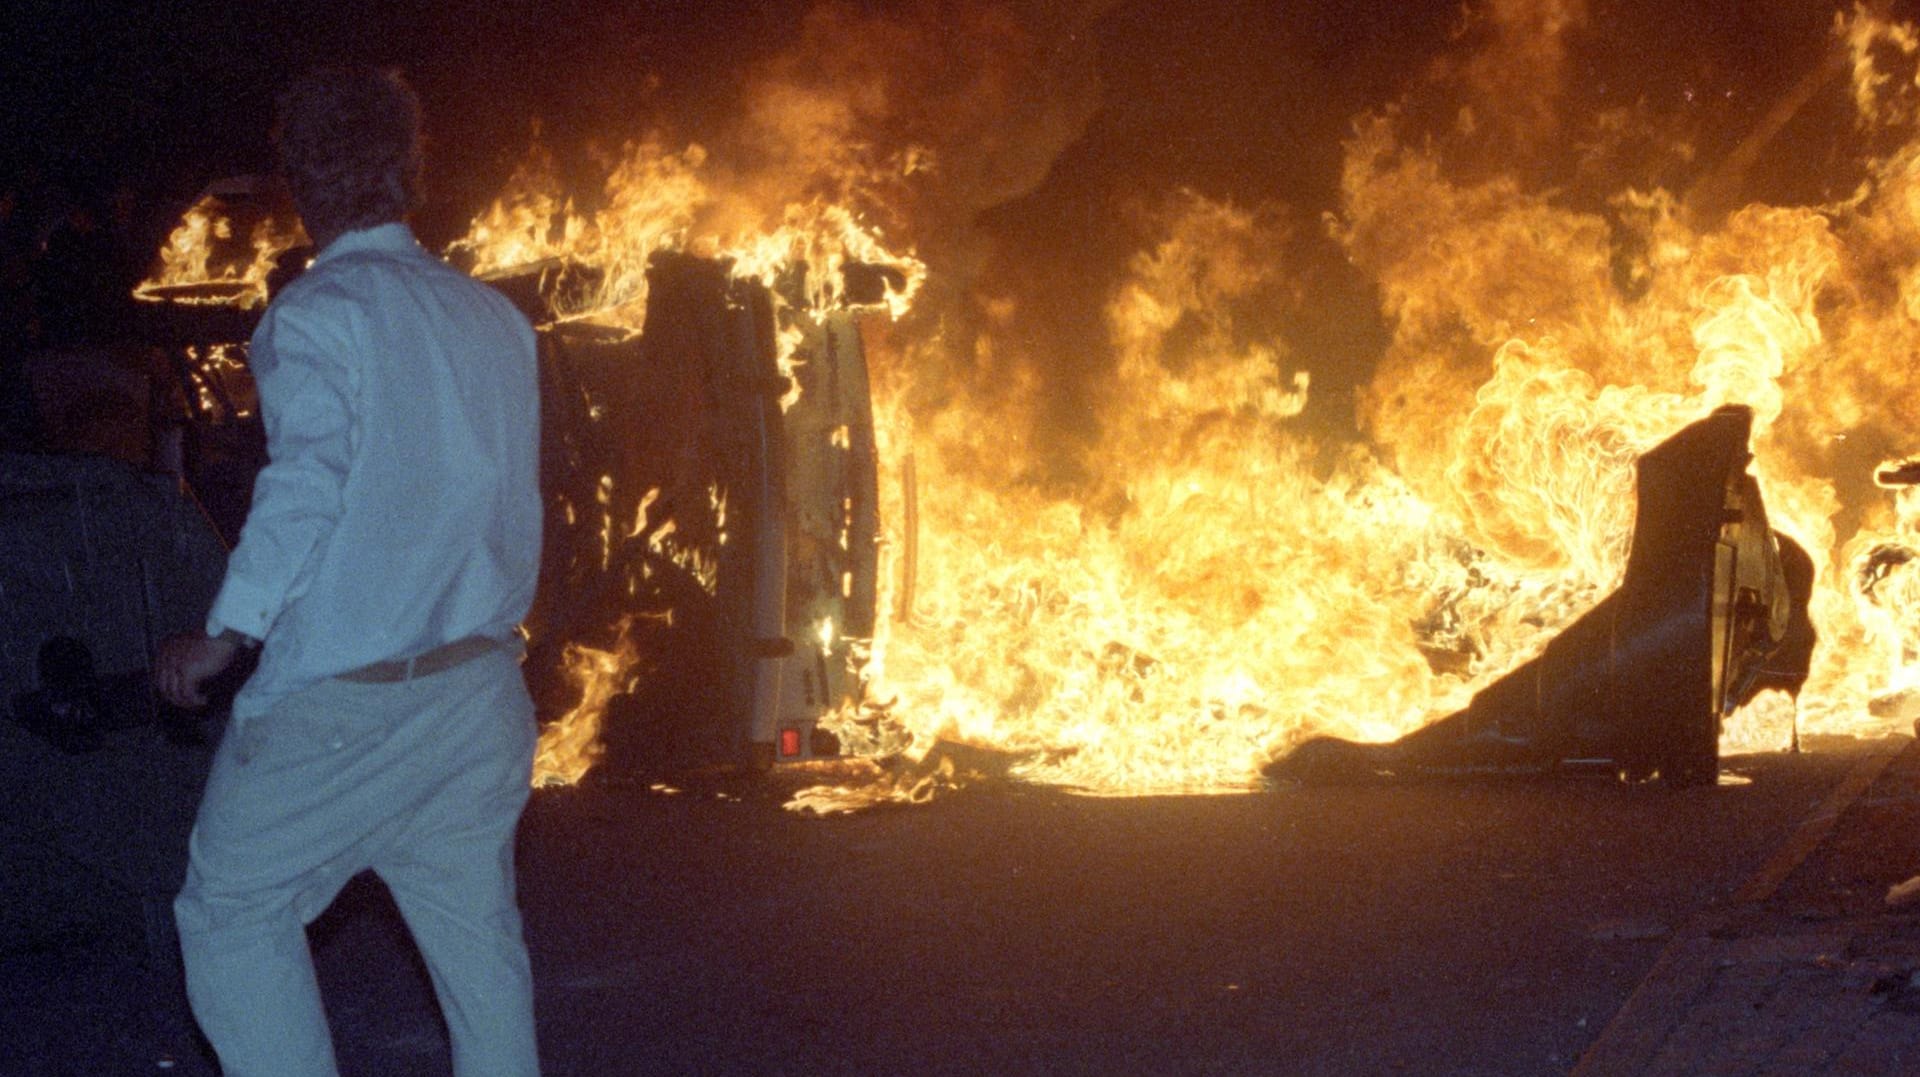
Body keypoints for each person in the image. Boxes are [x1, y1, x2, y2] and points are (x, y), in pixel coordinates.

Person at [155, 66, 543, 1077]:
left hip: (348, 708)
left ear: (299, 184)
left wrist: (224, 636)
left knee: (232, 912)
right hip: (478, 695)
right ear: (410, 171)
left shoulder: (317, 315)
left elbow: (307, 488)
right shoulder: (495, 320)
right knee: (482, 961)